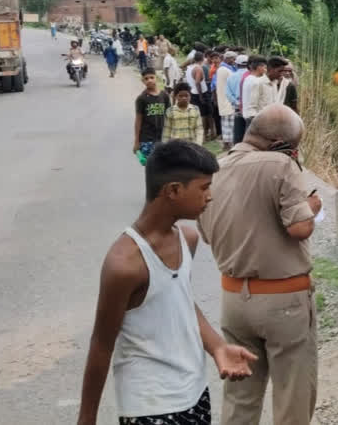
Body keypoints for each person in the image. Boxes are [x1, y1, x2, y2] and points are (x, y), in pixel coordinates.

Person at [75, 140, 257, 425]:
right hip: (150, 405)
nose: (210, 197)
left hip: (194, 392)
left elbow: (180, 301)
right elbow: (101, 344)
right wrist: (86, 419)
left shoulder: (187, 238)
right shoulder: (124, 264)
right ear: (173, 190)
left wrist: (218, 347)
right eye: (204, 187)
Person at [198, 105, 323, 425]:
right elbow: (300, 228)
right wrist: (311, 206)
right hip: (284, 301)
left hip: (234, 300)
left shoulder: (214, 169)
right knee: (292, 396)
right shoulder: (281, 165)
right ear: (282, 144)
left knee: (241, 398)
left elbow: (209, 236)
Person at [133, 68, 171, 166]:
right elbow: (138, 120)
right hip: (147, 138)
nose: (149, 80)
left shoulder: (164, 95)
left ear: (156, 78)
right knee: (151, 166)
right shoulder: (141, 99)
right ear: (143, 81)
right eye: (146, 79)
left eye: (151, 77)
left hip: (163, 137)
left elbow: (169, 115)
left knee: (164, 165)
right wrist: (136, 141)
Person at [185, 53, 214, 141]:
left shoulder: (189, 68)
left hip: (192, 92)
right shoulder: (198, 68)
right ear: (202, 58)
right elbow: (197, 82)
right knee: (204, 115)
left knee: (200, 114)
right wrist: (201, 96)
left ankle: (204, 134)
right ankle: (204, 135)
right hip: (200, 93)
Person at [240, 56, 272, 132]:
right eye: (265, 67)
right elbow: (253, 102)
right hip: (253, 117)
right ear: (259, 67)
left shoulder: (248, 78)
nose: (266, 70)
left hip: (248, 115)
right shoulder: (256, 81)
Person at [215, 52, 237, 151]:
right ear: (228, 59)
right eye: (233, 59)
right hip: (228, 101)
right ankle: (228, 145)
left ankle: (226, 144)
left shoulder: (221, 69)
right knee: (229, 124)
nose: (234, 61)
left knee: (225, 123)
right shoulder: (226, 70)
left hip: (223, 100)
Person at [228, 55, 250, 144]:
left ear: (236, 64)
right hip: (250, 109)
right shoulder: (252, 76)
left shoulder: (231, 77)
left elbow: (228, 94)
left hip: (237, 108)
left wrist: (237, 103)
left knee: (238, 133)